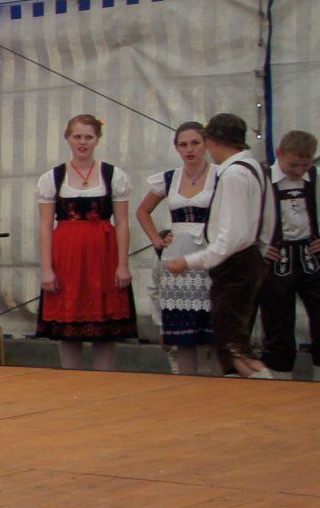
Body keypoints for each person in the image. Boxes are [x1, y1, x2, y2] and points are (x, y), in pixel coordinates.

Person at [162, 112, 269, 378]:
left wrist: (189, 261)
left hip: (235, 263)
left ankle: (267, 385)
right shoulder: (255, 168)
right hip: (250, 258)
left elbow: (230, 237)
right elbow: (269, 220)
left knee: (233, 346)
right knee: (231, 341)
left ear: (215, 142)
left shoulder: (233, 175)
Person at [34, 114, 136, 369]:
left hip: (103, 258)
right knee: (68, 329)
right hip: (66, 259)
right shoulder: (53, 177)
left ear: (97, 139)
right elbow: (45, 226)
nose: (82, 142)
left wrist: (123, 265)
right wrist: (46, 269)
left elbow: (123, 223)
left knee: (105, 330)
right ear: (67, 138)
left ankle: (106, 382)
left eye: (88, 137)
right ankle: (71, 382)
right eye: (77, 136)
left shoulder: (112, 175)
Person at [258, 129, 320, 381]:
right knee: (278, 330)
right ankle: (281, 390)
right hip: (276, 261)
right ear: (279, 153)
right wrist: (259, 247)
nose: (299, 170)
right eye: (293, 164)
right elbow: (239, 221)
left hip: (313, 258)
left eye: (305, 164)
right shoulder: (261, 181)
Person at [135, 122, 217, 376]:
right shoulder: (170, 178)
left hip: (209, 251)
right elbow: (142, 211)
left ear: (206, 144)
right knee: (183, 336)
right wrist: (157, 240)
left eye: (195, 143)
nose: (189, 149)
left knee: (215, 331)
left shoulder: (220, 175)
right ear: (177, 148)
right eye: (183, 144)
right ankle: (187, 384)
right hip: (176, 255)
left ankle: (220, 386)